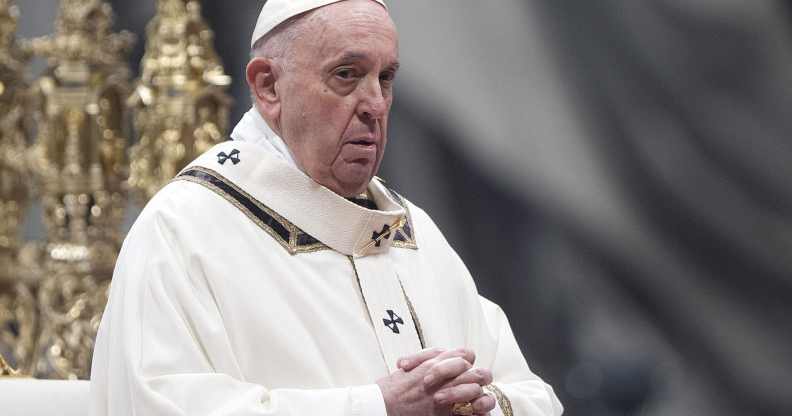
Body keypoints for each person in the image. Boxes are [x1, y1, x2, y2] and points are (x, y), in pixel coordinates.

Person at [89, 1, 563, 415]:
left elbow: (532, 395)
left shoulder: (413, 233)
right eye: (347, 75)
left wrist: (478, 405)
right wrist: (378, 407)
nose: (375, 104)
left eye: (386, 78)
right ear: (268, 86)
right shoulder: (184, 230)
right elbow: (155, 404)